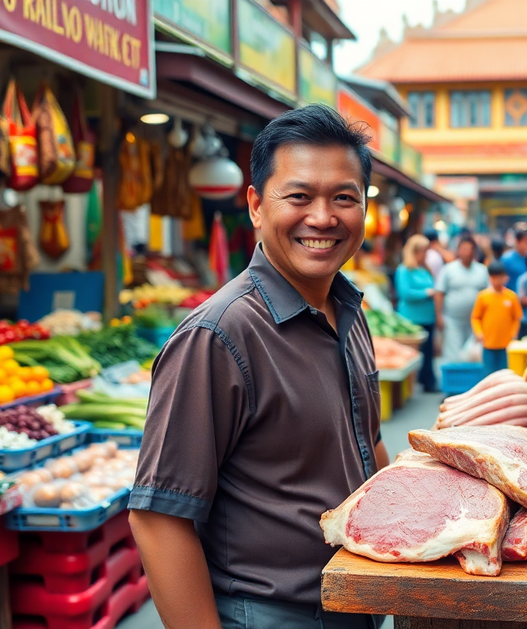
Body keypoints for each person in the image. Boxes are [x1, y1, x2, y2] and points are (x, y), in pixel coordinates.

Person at [129, 105, 386, 629]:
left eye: (344, 198)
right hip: (269, 613)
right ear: (255, 205)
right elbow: (158, 518)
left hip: (354, 600)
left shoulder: (348, 310)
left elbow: (367, 444)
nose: (322, 217)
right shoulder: (218, 335)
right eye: (299, 196)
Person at [434, 237, 489, 363]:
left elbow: (488, 294)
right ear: (458, 250)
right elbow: (439, 293)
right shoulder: (448, 269)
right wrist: (439, 316)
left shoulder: (482, 270)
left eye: (471, 249)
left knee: (474, 356)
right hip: (453, 321)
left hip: (476, 323)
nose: (468, 252)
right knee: (453, 357)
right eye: (464, 249)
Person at [394, 235, 438, 392]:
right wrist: (426, 293)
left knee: (428, 352)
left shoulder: (425, 269)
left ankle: (427, 381)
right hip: (411, 318)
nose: (426, 254)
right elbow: (405, 293)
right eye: (424, 251)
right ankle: (411, 386)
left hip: (428, 317)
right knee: (411, 354)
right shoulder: (404, 270)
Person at [472, 261, 522, 376]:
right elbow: (475, 317)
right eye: (494, 277)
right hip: (488, 343)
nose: (497, 281)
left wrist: (513, 334)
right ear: (490, 278)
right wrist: (478, 332)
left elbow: (516, 318)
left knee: (505, 374)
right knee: (488, 374)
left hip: (506, 344)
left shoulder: (511, 296)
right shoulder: (483, 296)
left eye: (500, 277)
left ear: (505, 278)